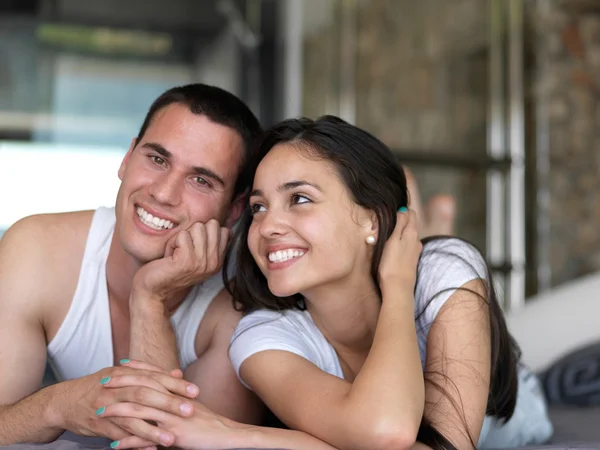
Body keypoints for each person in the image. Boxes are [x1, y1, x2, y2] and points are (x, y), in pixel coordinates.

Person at [101, 116, 553, 449]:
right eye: (258, 207)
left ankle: (420, 222)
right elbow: (388, 435)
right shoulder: (260, 337)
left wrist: (233, 434)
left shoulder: (442, 270)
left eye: (299, 199)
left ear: (369, 219)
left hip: (516, 411)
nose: (269, 226)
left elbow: (431, 444)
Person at [0, 83, 268, 449]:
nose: (163, 193)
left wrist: (150, 299)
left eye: (200, 180)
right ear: (127, 158)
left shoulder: (239, 312)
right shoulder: (37, 249)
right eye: (157, 159)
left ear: (235, 210)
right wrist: (57, 405)